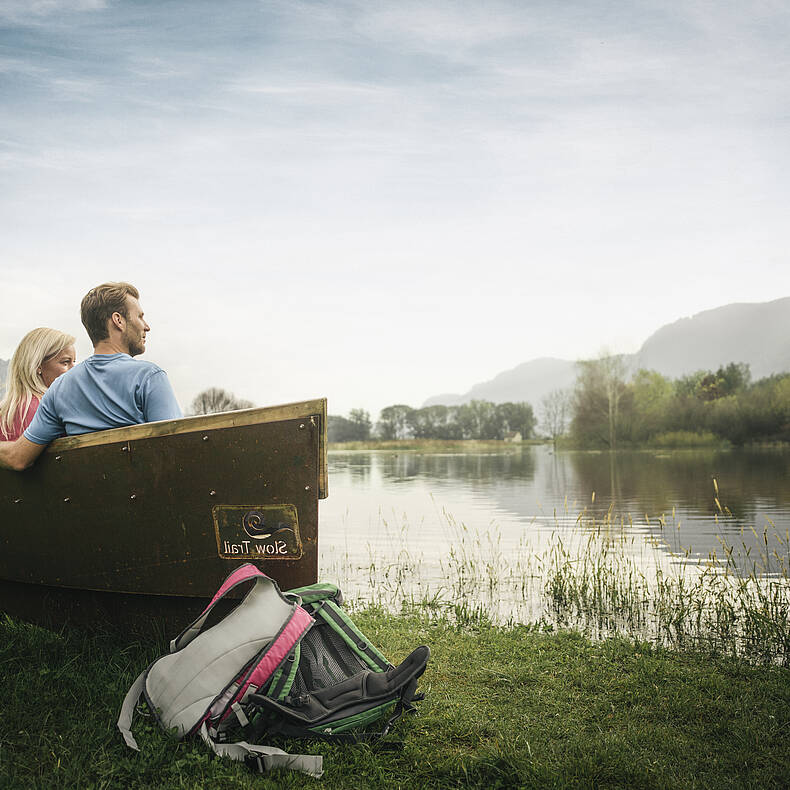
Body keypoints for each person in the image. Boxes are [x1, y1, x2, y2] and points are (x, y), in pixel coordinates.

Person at [0, 282, 182, 471]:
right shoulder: (150, 377)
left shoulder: (59, 388)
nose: (146, 326)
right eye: (140, 317)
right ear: (118, 320)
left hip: (85, 499)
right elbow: (180, 449)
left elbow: (18, 458)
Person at [0, 328, 77, 441]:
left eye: (73, 362)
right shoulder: (47, 410)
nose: (73, 370)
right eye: (65, 362)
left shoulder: (8, 409)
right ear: (38, 366)